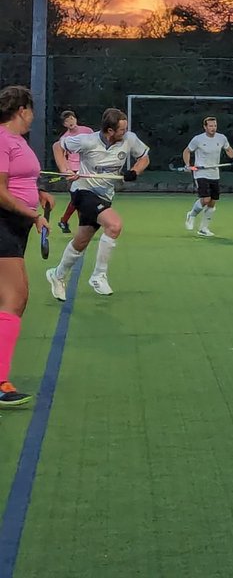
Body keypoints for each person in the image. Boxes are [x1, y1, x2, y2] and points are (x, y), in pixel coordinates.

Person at [46, 107, 149, 300]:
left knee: (81, 241)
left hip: (105, 195)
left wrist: (135, 171)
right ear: (109, 131)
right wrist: (65, 168)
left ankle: (57, 275)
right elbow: (57, 147)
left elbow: (144, 157)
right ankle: (98, 275)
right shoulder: (88, 140)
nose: (125, 133)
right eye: (121, 130)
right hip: (83, 190)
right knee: (114, 225)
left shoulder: (130, 139)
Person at [0, 86, 54, 406]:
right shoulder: (2, 138)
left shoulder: (17, 141)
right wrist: (32, 213)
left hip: (15, 226)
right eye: (32, 109)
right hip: (4, 223)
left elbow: (23, 179)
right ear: (22, 109)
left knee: (9, 298)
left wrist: (39, 193)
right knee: (15, 297)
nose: (34, 115)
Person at [182, 116, 233, 237]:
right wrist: (187, 164)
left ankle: (203, 228)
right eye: (211, 126)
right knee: (205, 199)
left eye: (215, 126)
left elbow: (228, 149)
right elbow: (187, 151)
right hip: (201, 173)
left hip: (214, 173)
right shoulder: (198, 139)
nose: (213, 128)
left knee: (212, 202)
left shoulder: (221, 138)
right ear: (205, 127)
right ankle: (191, 215)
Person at [55, 109, 93, 234]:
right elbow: (62, 156)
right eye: (67, 121)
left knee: (82, 198)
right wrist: (67, 171)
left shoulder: (87, 131)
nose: (70, 122)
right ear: (64, 124)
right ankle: (83, 226)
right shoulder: (64, 138)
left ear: (75, 119)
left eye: (71, 118)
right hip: (73, 170)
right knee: (77, 198)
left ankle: (64, 221)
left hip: (86, 169)